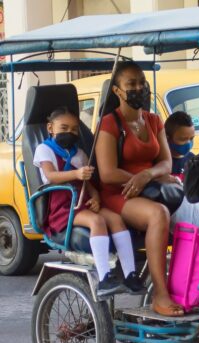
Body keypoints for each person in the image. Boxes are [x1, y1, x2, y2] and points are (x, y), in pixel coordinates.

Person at [95, 61, 183, 317]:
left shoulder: (154, 120)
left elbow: (167, 162)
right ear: (117, 91)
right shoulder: (110, 124)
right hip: (118, 193)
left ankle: (190, 284)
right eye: (131, 84)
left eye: (141, 82)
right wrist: (143, 179)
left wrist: (148, 175)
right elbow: (108, 172)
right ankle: (160, 293)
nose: (139, 88)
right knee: (159, 215)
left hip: (149, 187)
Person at [33, 107, 145, 296]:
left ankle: (130, 275)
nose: (70, 133)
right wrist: (76, 173)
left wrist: (95, 196)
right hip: (63, 206)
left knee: (116, 219)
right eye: (64, 128)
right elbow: (51, 176)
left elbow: (88, 183)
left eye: (75, 130)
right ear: (50, 128)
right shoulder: (44, 149)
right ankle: (104, 278)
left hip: (82, 201)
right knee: (97, 221)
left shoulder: (80, 154)